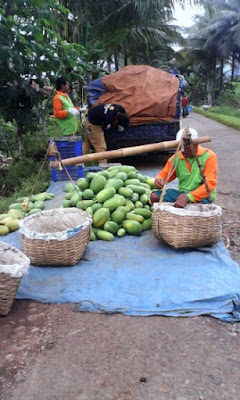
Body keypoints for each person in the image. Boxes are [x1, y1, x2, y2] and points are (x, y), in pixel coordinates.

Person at [150, 127, 218, 208]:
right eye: (180, 147)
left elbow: (210, 185)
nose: (182, 150)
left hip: (203, 195)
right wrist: (159, 179)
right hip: (182, 193)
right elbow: (165, 174)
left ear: (196, 145)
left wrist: (189, 197)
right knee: (154, 196)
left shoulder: (209, 156)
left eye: (185, 147)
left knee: (196, 206)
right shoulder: (176, 158)